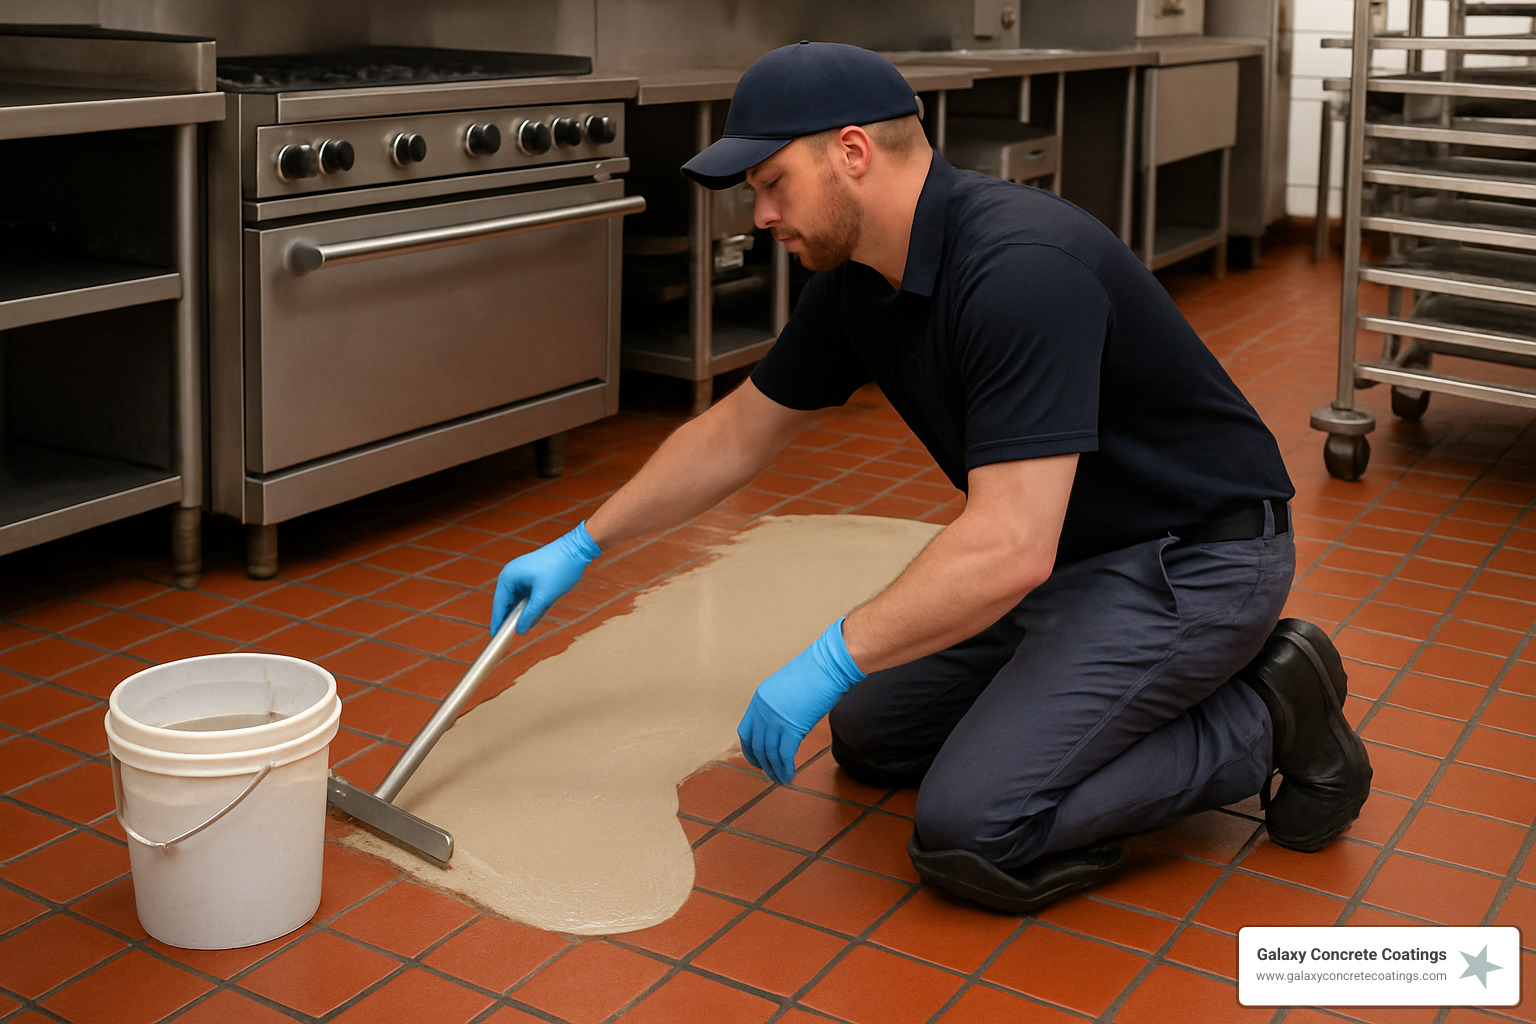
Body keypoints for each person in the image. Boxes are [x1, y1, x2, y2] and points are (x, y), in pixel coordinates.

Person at [489, 41, 1373, 913]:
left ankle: (1267, 713)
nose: (760, 216)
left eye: (772, 182)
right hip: (1073, 555)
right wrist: (582, 544)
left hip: (1195, 561)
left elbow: (1010, 545)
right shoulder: (859, 281)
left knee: (973, 830)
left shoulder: (1021, 269)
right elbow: (736, 433)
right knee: (873, 735)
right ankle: (1090, 689)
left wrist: (829, 655)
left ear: (851, 152)